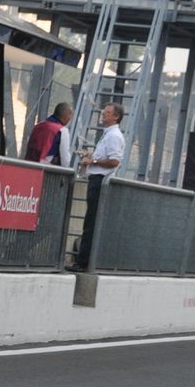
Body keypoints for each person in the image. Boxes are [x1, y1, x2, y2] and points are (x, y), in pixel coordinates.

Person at [67, 103, 124, 271]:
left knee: (91, 223)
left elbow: (114, 161)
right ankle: (84, 261)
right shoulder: (108, 135)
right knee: (90, 221)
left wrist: (93, 161)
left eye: (106, 113)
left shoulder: (114, 136)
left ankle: (83, 263)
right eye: (103, 111)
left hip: (100, 181)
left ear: (116, 117)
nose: (102, 114)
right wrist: (91, 156)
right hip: (96, 179)